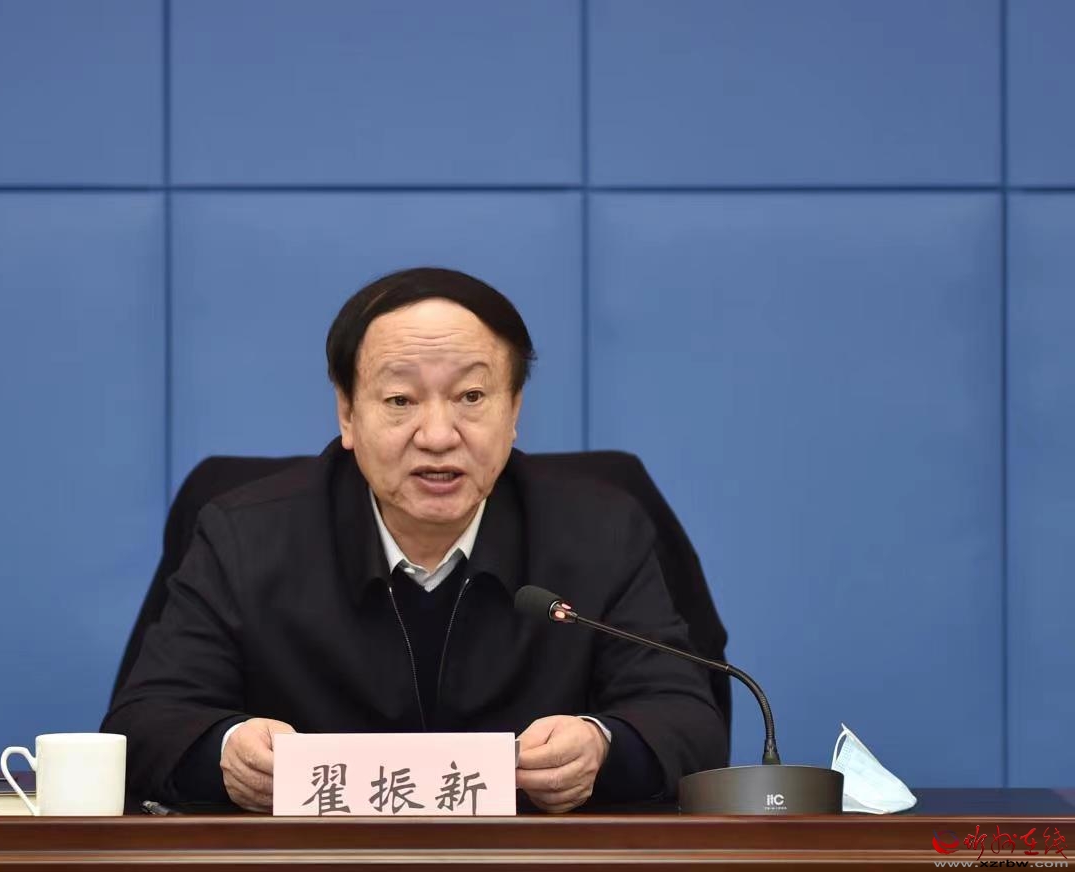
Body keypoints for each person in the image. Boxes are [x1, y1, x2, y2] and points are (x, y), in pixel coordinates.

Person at [102, 267, 726, 813]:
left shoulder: (600, 531)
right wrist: (226, 750)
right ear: (348, 413)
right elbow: (145, 722)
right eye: (400, 399)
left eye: (471, 396)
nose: (437, 435)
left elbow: (689, 719)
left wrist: (601, 745)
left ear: (514, 411)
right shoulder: (246, 535)